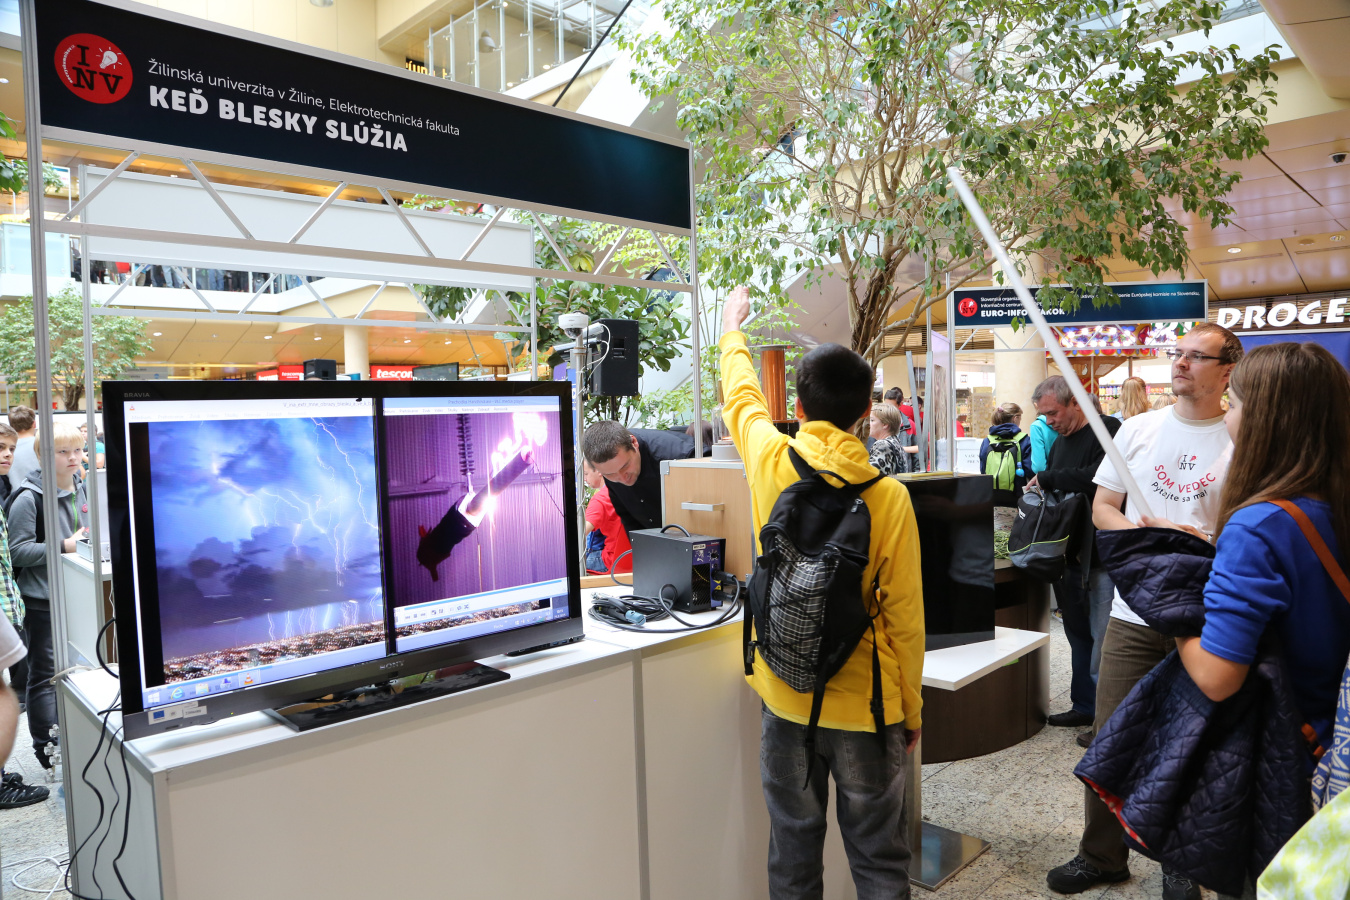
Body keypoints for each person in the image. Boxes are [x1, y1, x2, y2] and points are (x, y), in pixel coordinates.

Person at [720, 285, 924, 900]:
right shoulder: (889, 497)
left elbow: (741, 398)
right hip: (868, 706)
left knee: (792, 852)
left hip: (786, 696)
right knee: (880, 861)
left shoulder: (771, 459)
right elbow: (904, 618)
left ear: (798, 407)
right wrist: (910, 710)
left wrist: (732, 328)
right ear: (865, 412)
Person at [1047, 322, 1243, 900]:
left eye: (1196, 356)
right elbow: (1104, 507)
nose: (1180, 363)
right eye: (1177, 353)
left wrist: (1196, 543)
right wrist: (1151, 539)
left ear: (1228, 371)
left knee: (1190, 741)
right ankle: (1101, 855)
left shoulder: (1241, 439)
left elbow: (1246, 528)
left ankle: (1179, 863)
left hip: (1204, 617)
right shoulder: (1137, 429)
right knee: (1109, 737)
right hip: (1134, 614)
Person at [1164, 342, 1350, 900]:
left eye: (1236, 402)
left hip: (1294, 761)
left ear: (1266, 419)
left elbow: (1218, 676)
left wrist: (1174, 610)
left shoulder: (1258, 525)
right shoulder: (1332, 503)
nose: (1228, 415)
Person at [1028, 377, 1122, 731]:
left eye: (1053, 413)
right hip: (1068, 555)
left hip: (1100, 556)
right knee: (1078, 635)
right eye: (1044, 415)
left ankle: (1108, 721)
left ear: (1076, 403)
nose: (1049, 421)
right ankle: (1084, 705)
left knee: (1104, 640)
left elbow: (1100, 478)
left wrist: (1049, 478)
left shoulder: (1107, 430)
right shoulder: (1060, 442)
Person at [8, 421, 88, 768]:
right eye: (63, 452)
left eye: (78, 450)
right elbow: (17, 551)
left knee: (81, 668)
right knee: (45, 676)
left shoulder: (82, 486)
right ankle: (47, 750)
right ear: (43, 456)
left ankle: (77, 741)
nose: (74, 457)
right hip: (42, 600)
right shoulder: (28, 498)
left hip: (79, 592)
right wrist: (64, 545)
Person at [0, 426, 45, 810]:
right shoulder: (26, 497)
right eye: (0, 448)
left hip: (9, 605)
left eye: (11, 448)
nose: (7, 455)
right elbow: (17, 552)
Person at [582, 422, 695, 537]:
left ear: (634, 443)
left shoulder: (681, 456)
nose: (622, 478)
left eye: (625, 466)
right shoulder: (611, 471)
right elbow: (627, 518)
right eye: (610, 474)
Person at [583, 459, 632, 574]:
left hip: (609, 561)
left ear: (599, 471)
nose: (584, 479)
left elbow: (579, 534)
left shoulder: (599, 500)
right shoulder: (625, 490)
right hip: (632, 558)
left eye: (586, 474)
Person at [978, 403, 1032, 495]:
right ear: (1015, 418)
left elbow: (983, 469)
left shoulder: (987, 441)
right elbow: (1030, 470)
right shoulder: (1024, 440)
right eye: (1020, 418)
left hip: (992, 494)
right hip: (1018, 495)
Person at [867, 403, 910, 476]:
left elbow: (868, 474)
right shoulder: (895, 441)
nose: (868, 423)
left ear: (885, 424)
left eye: (872, 420)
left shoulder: (883, 445)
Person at [6, 407, 37, 492]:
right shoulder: (44, 446)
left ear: (11, 426)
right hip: (43, 496)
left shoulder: (5, 450)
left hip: (16, 497)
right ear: (34, 424)